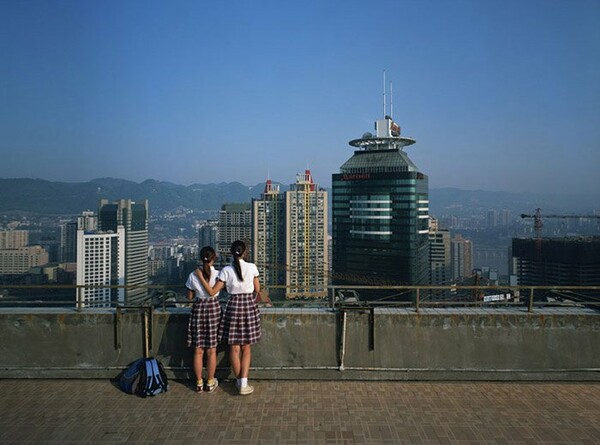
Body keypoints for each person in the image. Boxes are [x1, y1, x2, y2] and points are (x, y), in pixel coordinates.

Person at [197, 240, 261, 395]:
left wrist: (200, 276)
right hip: (248, 305)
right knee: (246, 347)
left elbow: (212, 292)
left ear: (232, 253)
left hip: (233, 306)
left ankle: (241, 381)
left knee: (234, 347)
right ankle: (243, 383)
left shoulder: (226, 270)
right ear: (245, 252)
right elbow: (257, 289)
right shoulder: (252, 267)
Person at [186, 246, 221, 393]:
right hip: (213, 309)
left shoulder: (193, 274)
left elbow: (189, 297)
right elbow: (216, 291)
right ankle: (210, 381)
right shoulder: (219, 274)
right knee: (211, 350)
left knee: (198, 349)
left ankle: (199, 382)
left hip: (199, 309)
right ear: (214, 258)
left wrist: (199, 280)